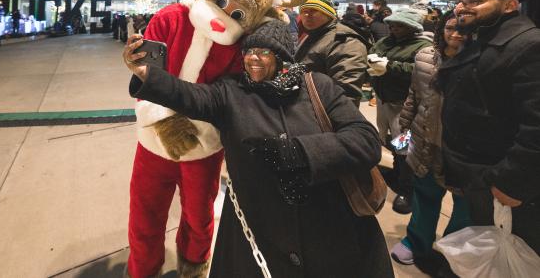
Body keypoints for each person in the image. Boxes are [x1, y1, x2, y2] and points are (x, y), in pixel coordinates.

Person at [123, 20, 394, 278]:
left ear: (281, 57)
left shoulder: (318, 86)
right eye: (248, 52)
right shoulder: (231, 91)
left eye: (263, 52)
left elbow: (365, 140)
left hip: (329, 227)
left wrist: (299, 152)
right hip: (257, 233)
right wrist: (147, 74)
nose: (252, 58)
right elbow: (189, 96)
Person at [437, 0, 540, 255]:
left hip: (506, 185)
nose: (461, 7)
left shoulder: (529, 45)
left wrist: (512, 183)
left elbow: (536, 128)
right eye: (459, 1)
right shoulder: (482, 39)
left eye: (474, 1)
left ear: (510, 5)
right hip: (479, 176)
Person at [390, 11, 472, 270]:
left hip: (463, 150)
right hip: (424, 140)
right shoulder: (425, 56)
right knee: (424, 196)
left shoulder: (482, 61)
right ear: (441, 29)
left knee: (463, 204)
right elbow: (414, 95)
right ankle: (416, 242)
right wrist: (404, 130)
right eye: (450, 27)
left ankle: (451, 252)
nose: (456, 33)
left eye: (463, 28)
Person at [367, 3, 433, 214]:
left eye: (399, 26)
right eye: (392, 25)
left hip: (404, 105)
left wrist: (389, 66)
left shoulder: (422, 45)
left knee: (404, 146)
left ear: (412, 27)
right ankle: (397, 174)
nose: (394, 29)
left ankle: (407, 189)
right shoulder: (387, 41)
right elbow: (374, 50)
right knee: (390, 140)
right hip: (385, 100)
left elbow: (421, 70)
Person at [295, 0, 368, 105]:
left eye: (314, 10)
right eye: (303, 11)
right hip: (307, 107)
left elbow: (346, 93)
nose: (307, 15)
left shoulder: (344, 40)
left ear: (328, 14)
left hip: (323, 113)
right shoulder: (313, 35)